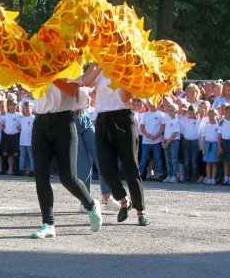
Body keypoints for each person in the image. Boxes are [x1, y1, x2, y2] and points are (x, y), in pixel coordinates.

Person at [29, 78, 103, 239]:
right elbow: (32, 91)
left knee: (68, 178)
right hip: (40, 122)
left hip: (64, 122)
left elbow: (71, 91)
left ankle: (91, 205)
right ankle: (48, 224)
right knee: (41, 176)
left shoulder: (69, 62)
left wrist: (50, 74)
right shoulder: (35, 61)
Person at [82, 64, 150, 226]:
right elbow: (86, 82)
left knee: (130, 167)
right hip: (103, 119)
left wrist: (122, 70)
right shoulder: (100, 68)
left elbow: (124, 97)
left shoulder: (128, 68)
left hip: (123, 118)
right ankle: (124, 201)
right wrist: (100, 64)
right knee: (105, 169)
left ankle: (141, 212)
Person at [161, 103, 181, 183]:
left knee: (174, 159)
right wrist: (163, 142)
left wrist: (167, 142)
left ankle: (175, 176)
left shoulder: (176, 121)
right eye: (169, 110)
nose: (170, 112)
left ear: (176, 112)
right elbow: (166, 132)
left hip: (173, 142)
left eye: (172, 111)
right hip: (166, 141)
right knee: (168, 160)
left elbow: (174, 133)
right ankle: (169, 175)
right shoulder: (168, 120)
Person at [201, 109, 220, 184]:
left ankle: (213, 178)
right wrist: (203, 148)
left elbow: (219, 138)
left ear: (216, 116)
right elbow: (204, 139)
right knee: (208, 162)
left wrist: (218, 147)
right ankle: (208, 178)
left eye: (213, 115)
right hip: (207, 145)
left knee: (214, 162)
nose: (211, 117)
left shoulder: (218, 126)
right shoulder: (206, 126)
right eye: (210, 115)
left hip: (215, 145)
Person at [18, 101, 35, 176]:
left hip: (30, 141)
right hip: (22, 141)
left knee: (31, 156)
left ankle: (32, 170)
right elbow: (20, 129)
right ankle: (21, 170)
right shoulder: (21, 119)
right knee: (22, 156)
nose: (26, 110)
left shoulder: (34, 118)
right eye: (24, 108)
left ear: (31, 108)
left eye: (28, 108)